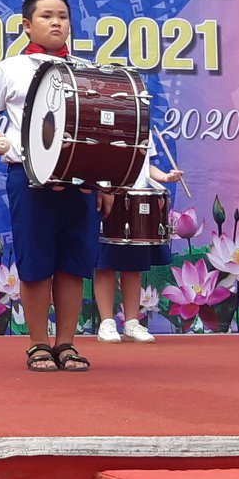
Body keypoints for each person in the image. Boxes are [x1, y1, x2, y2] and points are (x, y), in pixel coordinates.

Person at [0, 0, 93, 373]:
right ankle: (38, 344)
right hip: (28, 177)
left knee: (73, 264)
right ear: (27, 25)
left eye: (63, 16)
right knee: (36, 260)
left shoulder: (86, 70)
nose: (57, 22)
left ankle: (67, 344)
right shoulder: (10, 68)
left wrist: (104, 182)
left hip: (80, 181)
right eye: (47, 16)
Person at [96, 141, 183, 345]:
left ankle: (131, 323)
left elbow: (145, 166)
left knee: (133, 265)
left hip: (137, 198)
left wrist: (165, 177)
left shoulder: (144, 129)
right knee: (105, 263)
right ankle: (107, 323)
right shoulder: (105, 124)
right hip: (108, 194)